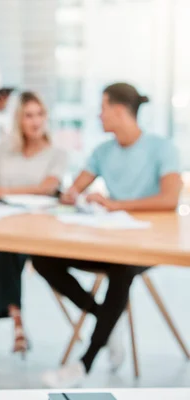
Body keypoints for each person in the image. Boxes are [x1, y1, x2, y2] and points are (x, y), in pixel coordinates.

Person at [33, 83, 182, 388]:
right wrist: (73, 195)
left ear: (118, 110)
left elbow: (169, 199)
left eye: (102, 108)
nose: (98, 115)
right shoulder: (103, 151)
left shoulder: (162, 148)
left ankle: (83, 364)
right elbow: (75, 189)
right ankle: (106, 320)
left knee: (122, 269)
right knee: (42, 259)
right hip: (110, 240)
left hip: (146, 247)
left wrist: (116, 204)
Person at [0, 92, 68, 360]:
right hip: (0, 225)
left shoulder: (57, 153)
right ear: (19, 119)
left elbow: (47, 188)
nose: (36, 121)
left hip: (36, 231)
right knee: (0, 248)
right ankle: (16, 320)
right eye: (29, 115)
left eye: (40, 114)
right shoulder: (4, 148)